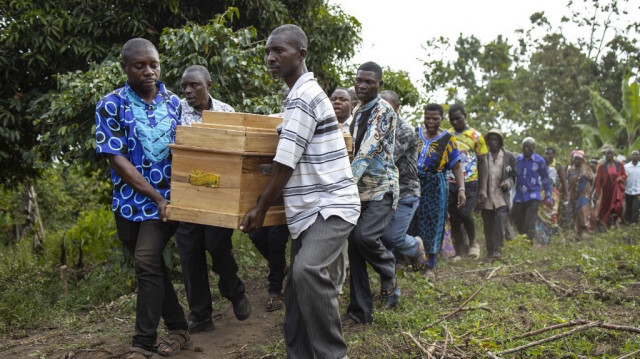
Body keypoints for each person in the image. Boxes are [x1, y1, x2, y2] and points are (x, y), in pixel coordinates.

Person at [240, 24, 360, 359]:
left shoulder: (305, 96)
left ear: (301, 54)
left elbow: (285, 162)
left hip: (331, 206)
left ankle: (334, 355)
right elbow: (291, 157)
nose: (271, 58)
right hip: (309, 209)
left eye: (279, 51)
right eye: (268, 51)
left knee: (307, 271)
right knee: (295, 289)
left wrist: (261, 208)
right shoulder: (296, 97)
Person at [95, 38, 190, 359]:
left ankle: (143, 343)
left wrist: (168, 199)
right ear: (125, 68)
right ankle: (178, 326)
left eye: (154, 64)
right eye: (140, 66)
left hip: (167, 202)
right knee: (153, 269)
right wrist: (151, 195)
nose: (149, 71)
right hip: (128, 203)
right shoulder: (110, 104)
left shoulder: (175, 102)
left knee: (146, 260)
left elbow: (188, 149)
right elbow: (115, 158)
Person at [174, 65, 251, 334]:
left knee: (217, 246)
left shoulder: (227, 112)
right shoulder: (176, 111)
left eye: (194, 85)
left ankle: (234, 290)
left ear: (209, 84)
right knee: (189, 252)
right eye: (184, 86)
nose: (188, 91)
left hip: (218, 194)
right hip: (188, 192)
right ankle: (201, 315)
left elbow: (236, 153)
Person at [344, 62, 398, 325]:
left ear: (379, 83)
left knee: (364, 237)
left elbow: (366, 150)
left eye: (368, 82)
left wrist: (344, 185)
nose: (362, 86)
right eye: (359, 81)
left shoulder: (383, 111)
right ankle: (360, 312)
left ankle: (388, 266)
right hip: (358, 190)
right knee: (353, 247)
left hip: (381, 188)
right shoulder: (357, 110)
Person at [379, 90, 425, 309]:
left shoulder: (405, 130)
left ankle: (415, 246)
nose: (383, 110)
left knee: (392, 237)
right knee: (380, 240)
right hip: (383, 191)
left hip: (406, 191)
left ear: (397, 108)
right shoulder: (375, 126)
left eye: (387, 106)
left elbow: (385, 159)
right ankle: (392, 290)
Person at [408, 104, 466, 278]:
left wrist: (461, 188)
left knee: (433, 223)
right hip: (414, 182)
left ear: (442, 119)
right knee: (413, 220)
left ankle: (430, 266)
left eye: (435, 118)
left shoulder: (448, 138)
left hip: (436, 184)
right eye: (427, 118)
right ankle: (413, 261)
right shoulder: (415, 133)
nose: (430, 122)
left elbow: (456, 166)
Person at [447, 104, 488, 259]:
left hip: (470, 181)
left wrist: (483, 189)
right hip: (450, 181)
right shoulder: (447, 135)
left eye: (458, 118)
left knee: (465, 213)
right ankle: (460, 250)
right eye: (452, 120)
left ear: (465, 115)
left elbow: (483, 163)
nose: (455, 122)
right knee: (454, 216)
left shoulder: (476, 136)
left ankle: (473, 242)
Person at [327, 87, 354, 294]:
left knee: (346, 240)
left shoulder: (357, 125)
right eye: (333, 99)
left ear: (351, 104)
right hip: (326, 188)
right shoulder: (324, 122)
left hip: (351, 190)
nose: (337, 102)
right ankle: (334, 284)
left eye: (342, 99)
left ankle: (339, 284)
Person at [481, 129, 516, 259]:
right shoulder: (483, 156)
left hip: (501, 197)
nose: (493, 142)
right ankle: (490, 251)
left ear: (500, 141)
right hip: (487, 198)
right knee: (488, 226)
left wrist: (507, 183)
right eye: (491, 139)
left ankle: (498, 250)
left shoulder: (509, 157)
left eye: (496, 140)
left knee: (500, 224)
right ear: (488, 142)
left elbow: (513, 176)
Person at [512, 137, 553, 242]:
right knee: (516, 218)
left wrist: (548, 195)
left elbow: (545, 178)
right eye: (524, 147)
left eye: (529, 147)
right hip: (519, 195)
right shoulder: (518, 159)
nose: (526, 149)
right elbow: (512, 174)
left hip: (533, 195)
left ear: (533, 147)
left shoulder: (539, 160)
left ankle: (528, 244)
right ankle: (524, 238)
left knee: (529, 222)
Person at [248, 225, 290, 311]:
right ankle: (281, 267)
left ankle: (275, 291)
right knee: (255, 235)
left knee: (275, 238)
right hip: (264, 212)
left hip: (285, 213)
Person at [594, 145, 627, 227]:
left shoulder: (619, 164)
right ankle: (605, 223)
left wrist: (620, 178)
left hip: (616, 189)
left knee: (618, 205)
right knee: (605, 206)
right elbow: (598, 180)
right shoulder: (601, 166)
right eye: (607, 154)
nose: (609, 155)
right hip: (606, 189)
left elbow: (624, 175)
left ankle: (617, 221)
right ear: (605, 155)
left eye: (610, 153)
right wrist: (597, 192)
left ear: (613, 154)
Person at [566, 150, 595, 240]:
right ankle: (577, 232)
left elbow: (593, 180)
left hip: (584, 194)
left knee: (582, 211)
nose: (577, 161)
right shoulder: (570, 169)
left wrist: (591, 192)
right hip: (573, 194)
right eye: (575, 159)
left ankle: (584, 230)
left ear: (582, 160)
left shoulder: (586, 169)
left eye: (579, 159)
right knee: (573, 212)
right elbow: (567, 181)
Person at [535, 150, 561, 244]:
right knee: (539, 218)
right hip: (540, 197)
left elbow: (550, 184)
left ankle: (552, 237)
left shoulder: (552, 170)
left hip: (550, 196)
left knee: (550, 218)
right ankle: (542, 240)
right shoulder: (537, 171)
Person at [544, 147, 569, 227]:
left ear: (553, 155)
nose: (547, 155)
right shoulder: (541, 163)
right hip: (543, 193)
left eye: (549, 154)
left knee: (553, 212)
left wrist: (566, 195)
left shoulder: (558, 165)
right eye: (546, 153)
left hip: (554, 193)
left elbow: (563, 180)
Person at [624, 150, 640, 224]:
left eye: (637, 155)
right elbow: (623, 178)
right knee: (629, 207)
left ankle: (634, 222)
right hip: (628, 190)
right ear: (631, 156)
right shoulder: (626, 167)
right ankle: (628, 222)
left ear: (639, 156)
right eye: (634, 154)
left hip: (638, 191)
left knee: (635, 208)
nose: (635, 156)